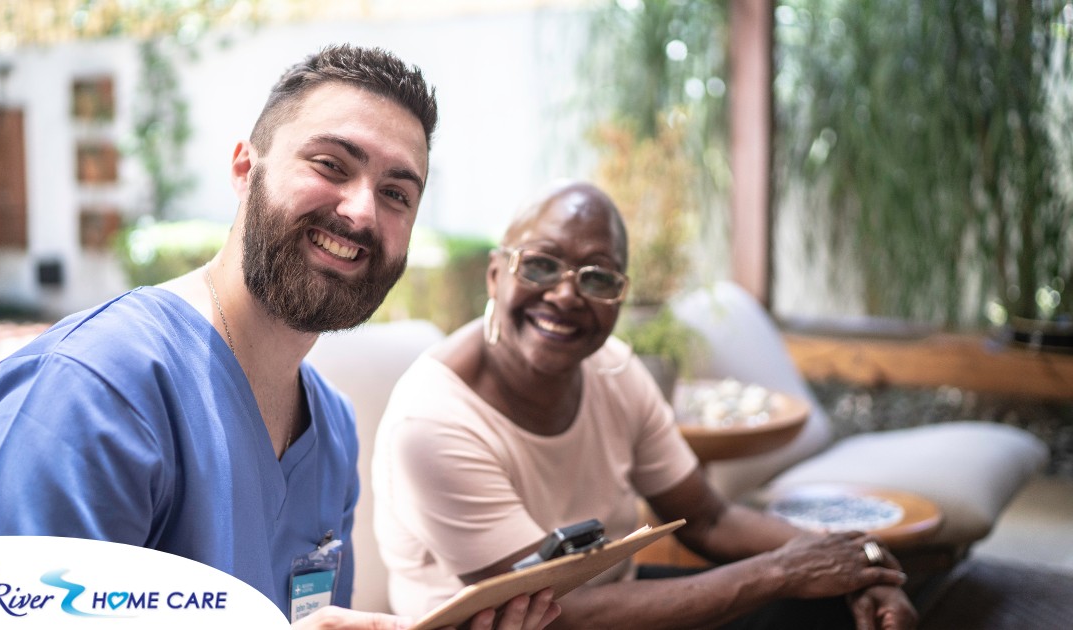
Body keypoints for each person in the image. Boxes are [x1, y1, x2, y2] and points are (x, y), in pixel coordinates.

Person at [0, 44, 559, 630]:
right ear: (244, 169)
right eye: (330, 165)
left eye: (396, 193)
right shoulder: (92, 390)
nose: (363, 211)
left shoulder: (332, 431)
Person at [372, 180, 918, 629]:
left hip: (611, 605)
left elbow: (709, 518)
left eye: (597, 277)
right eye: (540, 265)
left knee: (831, 610)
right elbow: (551, 611)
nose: (566, 294)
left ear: (620, 296)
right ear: (496, 274)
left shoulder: (614, 369)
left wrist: (857, 565)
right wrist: (782, 572)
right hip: (528, 624)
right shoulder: (434, 421)